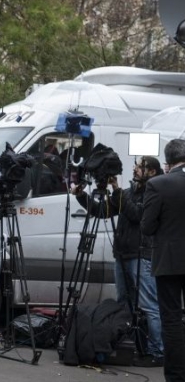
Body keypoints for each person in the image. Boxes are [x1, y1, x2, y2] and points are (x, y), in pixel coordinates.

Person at [72, 157, 164, 366]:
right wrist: (82, 197)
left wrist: (116, 190)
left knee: (149, 305)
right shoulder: (128, 192)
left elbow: (136, 215)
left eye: (140, 167)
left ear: (151, 172)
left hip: (141, 255)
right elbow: (102, 211)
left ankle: (157, 351)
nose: (135, 169)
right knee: (124, 301)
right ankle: (128, 343)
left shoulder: (152, 193)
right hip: (123, 253)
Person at [141, 139, 185, 382]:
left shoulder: (158, 184)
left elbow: (146, 227)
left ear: (168, 161)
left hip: (170, 261)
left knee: (172, 320)